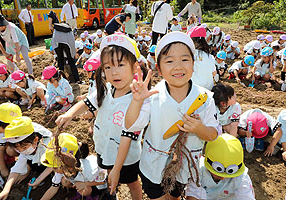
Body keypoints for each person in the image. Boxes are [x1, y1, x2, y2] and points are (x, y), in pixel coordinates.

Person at [124, 31, 219, 200]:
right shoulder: (153, 96)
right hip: (152, 166)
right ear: (159, 68)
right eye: (169, 61)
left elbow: (213, 134)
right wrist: (137, 101)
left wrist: (199, 129)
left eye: (184, 59)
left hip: (183, 168)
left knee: (174, 196)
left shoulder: (205, 99)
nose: (178, 66)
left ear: (193, 64)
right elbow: (131, 125)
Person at [55, 34, 148, 200]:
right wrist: (69, 114)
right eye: (108, 67)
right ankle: (113, 193)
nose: (114, 72)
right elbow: (86, 103)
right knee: (111, 174)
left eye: (120, 65)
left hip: (127, 155)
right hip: (105, 147)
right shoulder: (106, 89)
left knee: (132, 182)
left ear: (134, 67)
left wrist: (118, 168)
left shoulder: (136, 99)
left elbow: (129, 134)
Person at [34, 133, 108, 200]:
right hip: (80, 181)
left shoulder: (89, 170)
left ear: (68, 167)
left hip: (95, 184)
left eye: (55, 167)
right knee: (64, 181)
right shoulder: (63, 169)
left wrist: (86, 184)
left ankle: (90, 195)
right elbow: (53, 188)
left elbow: (104, 180)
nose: (53, 169)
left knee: (85, 190)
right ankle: (79, 190)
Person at [0, 116, 52, 200]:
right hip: (35, 153)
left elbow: (53, 165)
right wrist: (6, 190)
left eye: (24, 147)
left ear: (35, 140)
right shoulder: (25, 148)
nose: (21, 151)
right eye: (17, 149)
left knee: (43, 167)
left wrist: (39, 180)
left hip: (52, 161)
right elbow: (16, 169)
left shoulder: (47, 146)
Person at [185, 134, 255, 200]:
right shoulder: (199, 170)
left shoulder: (241, 177)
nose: (223, 177)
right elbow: (192, 196)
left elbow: (246, 196)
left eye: (229, 174)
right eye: (217, 171)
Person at [0, 103, 22, 178]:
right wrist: (3, 169)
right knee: (10, 150)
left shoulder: (22, 132)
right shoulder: (1, 132)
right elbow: (0, 150)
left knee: (11, 150)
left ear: (8, 126)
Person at [48, 12, 81, 84]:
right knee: (71, 61)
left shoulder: (57, 30)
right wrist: (73, 55)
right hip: (66, 42)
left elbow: (54, 43)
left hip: (57, 41)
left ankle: (61, 80)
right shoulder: (69, 33)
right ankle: (77, 79)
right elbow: (72, 46)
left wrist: (57, 52)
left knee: (60, 61)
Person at [188, 26, 217, 90]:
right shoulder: (210, 57)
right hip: (208, 89)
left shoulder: (189, 55)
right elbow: (213, 72)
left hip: (195, 90)